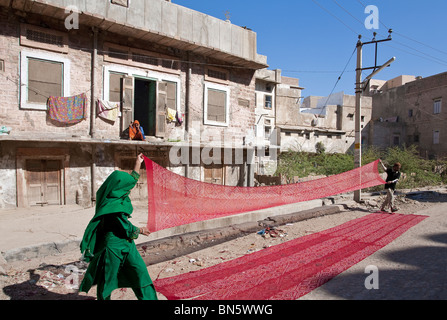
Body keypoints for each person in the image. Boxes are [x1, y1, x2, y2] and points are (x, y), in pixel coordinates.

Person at [79, 154, 157, 300]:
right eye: (126, 187)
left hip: (127, 244)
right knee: (107, 281)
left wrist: (137, 163)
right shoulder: (112, 206)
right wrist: (140, 230)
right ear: (119, 188)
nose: (129, 189)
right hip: (112, 247)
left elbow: (132, 180)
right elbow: (125, 227)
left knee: (140, 272)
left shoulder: (114, 195)